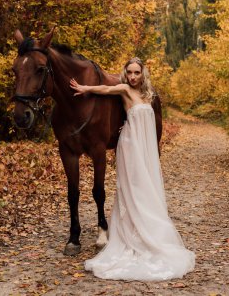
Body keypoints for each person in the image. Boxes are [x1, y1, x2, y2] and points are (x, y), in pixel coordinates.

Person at [70, 57, 195, 281]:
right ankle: (130, 233)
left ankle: (149, 230)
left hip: (145, 148)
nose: (133, 77)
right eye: (130, 72)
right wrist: (84, 87)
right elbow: (104, 89)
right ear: (125, 73)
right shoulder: (124, 89)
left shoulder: (148, 94)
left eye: (137, 73)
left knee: (148, 187)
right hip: (130, 145)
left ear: (143, 74)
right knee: (134, 188)